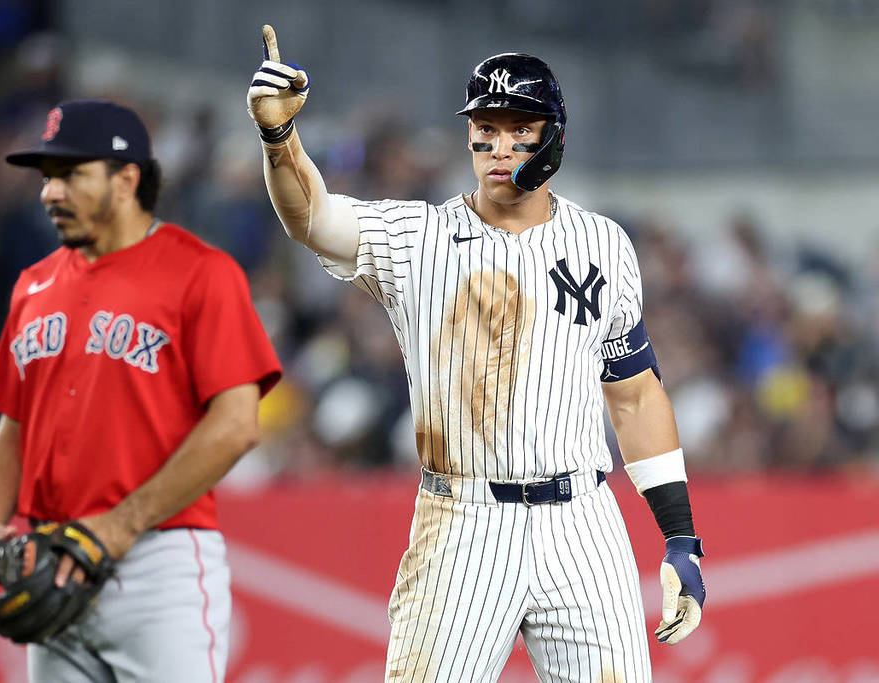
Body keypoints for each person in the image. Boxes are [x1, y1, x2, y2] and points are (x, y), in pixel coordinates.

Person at [248, 26, 706, 682]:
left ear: (556, 135)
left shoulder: (604, 243)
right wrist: (278, 139)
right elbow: (312, 217)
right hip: (463, 520)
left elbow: (633, 391)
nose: (498, 143)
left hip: (583, 521)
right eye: (484, 126)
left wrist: (680, 534)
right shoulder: (418, 237)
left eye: (518, 125)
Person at [0, 98, 281, 682]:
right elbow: (14, 423)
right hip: (55, 561)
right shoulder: (33, 285)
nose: (49, 193)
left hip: (157, 565)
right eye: (46, 177)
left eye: (70, 175)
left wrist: (121, 524)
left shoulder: (201, 273)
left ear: (126, 179)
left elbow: (237, 425)